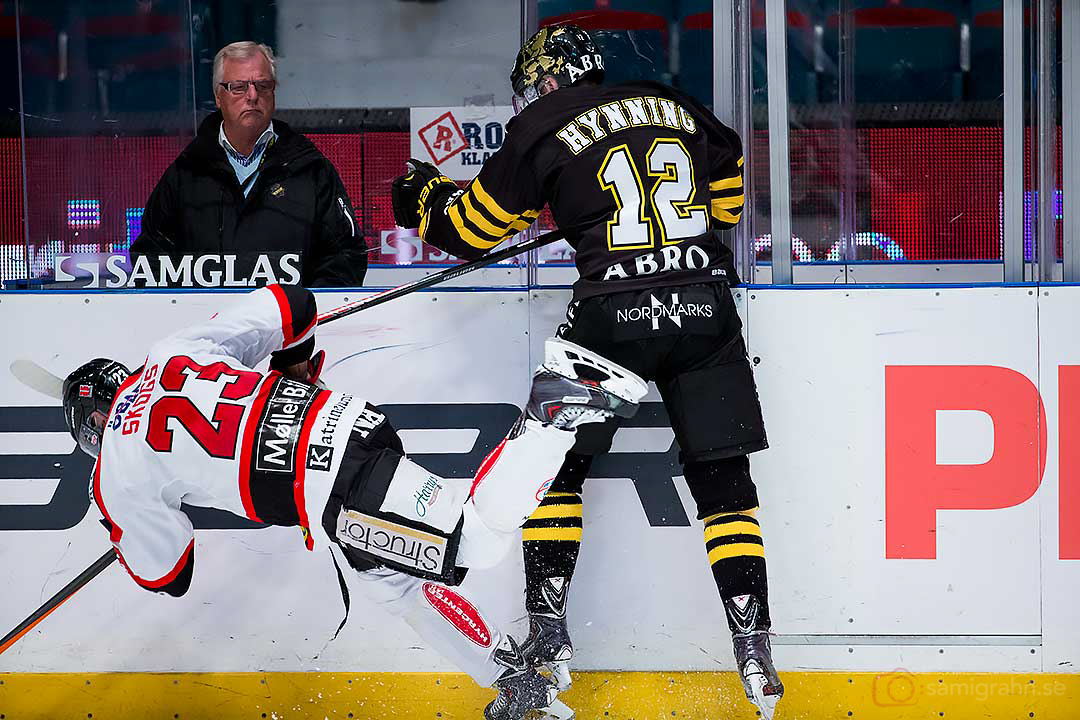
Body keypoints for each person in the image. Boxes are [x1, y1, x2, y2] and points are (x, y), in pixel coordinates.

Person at [390, 24, 783, 720]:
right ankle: (753, 648)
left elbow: (471, 229)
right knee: (725, 484)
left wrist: (422, 197)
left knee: (552, 468)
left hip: (612, 315)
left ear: (547, 81)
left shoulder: (543, 123)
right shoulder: (673, 103)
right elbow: (728, 191)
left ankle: (547, 635)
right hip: (704, 308)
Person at [61, 284, 647, 720]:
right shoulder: (173, 349)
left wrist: (135, 529)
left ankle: (550, 414)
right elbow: (292, 303)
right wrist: (292, 374)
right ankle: (515, 683)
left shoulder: (116, 471)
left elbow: (170, 575)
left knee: (473, 541)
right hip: (342, 424)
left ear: (90, 428)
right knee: (390, 583)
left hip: (330, 484)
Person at [129, 41, 367, 288]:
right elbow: (150, 259)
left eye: (262, 85)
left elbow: (347, 256)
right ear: (218, 96)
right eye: (238, 87)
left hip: (289, 323)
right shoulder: (186, 172)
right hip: (208, 322)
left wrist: (302, 309)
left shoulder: (311, 169)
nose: (252, 96)